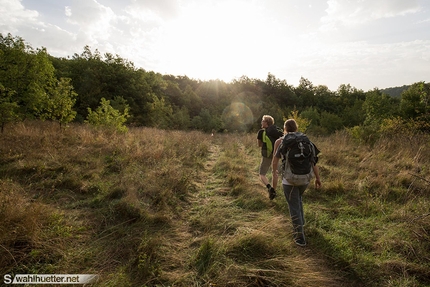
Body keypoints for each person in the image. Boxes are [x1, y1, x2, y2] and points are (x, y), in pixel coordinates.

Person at [271, 119, 321, 247]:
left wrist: (274, 171)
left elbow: (275, 160)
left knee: (294, 206)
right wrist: (318, 178)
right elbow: (313, 162)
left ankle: (299, 237)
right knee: (298, 200)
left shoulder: (284, 141)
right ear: (296, 128)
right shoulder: (306, 141)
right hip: (305, 179)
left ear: (285, 128)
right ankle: (302, 223)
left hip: (290, 180)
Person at [257, 115, 283, 200]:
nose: (261, 122)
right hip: (277, 154)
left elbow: (259, 145)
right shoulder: (278, 130)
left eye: (262, 121)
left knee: (262, 174)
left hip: (267, 154)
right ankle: (274, 190)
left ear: (266, 123)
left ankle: (269, 188)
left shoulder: (261, 132)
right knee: (275, 172)